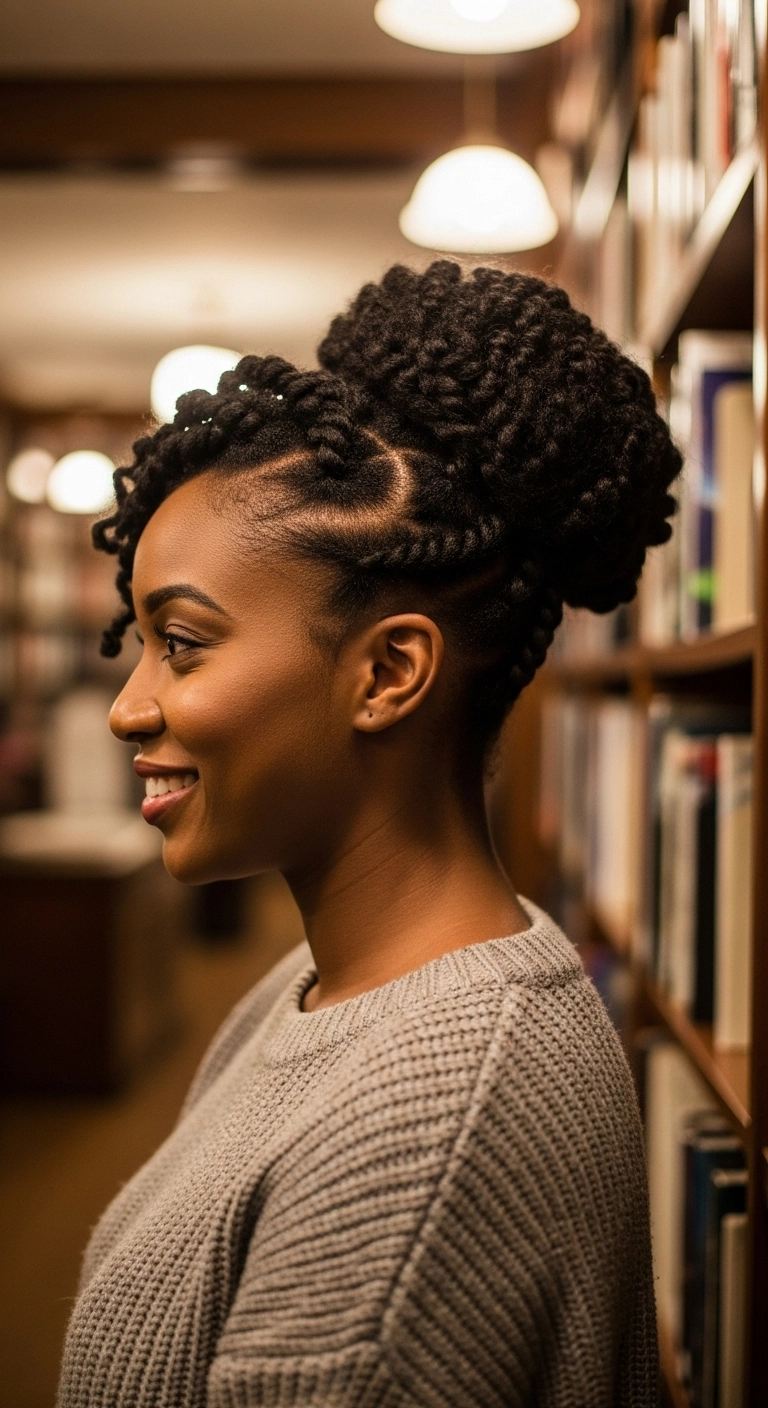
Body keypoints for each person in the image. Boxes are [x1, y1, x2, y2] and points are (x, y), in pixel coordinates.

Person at [57, 261, 678, 1408]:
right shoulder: (321, 985)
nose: (127, 707)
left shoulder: (427, 1137)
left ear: (389, 671)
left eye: (181, 644)